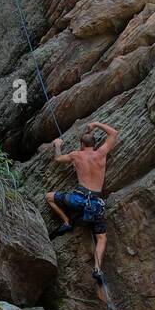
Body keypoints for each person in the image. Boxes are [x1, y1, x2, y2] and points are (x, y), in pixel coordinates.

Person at [45, 121, 119, 284]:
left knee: (49, 197)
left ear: (81, 144)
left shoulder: (76, 155)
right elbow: (114, 133)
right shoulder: (101, 153)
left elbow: (58, 158)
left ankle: (66, 222)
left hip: (77, 200)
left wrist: (57, 144)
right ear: (94, 144)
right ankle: (98, 269)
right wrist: (96, 124)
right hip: (96, 204)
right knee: (101, 238)